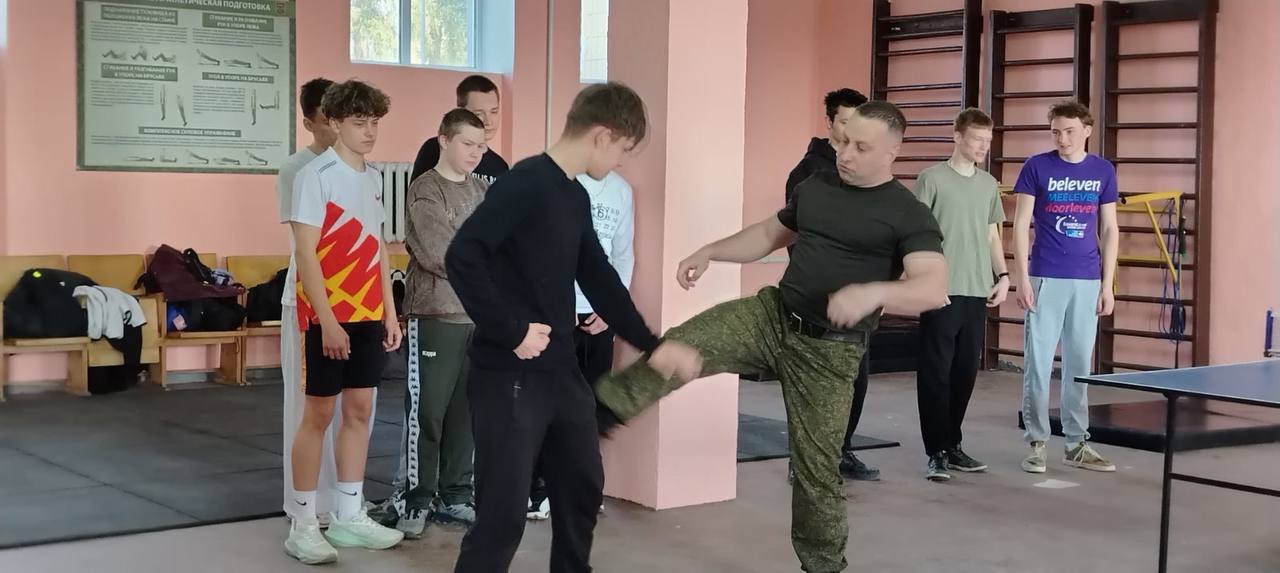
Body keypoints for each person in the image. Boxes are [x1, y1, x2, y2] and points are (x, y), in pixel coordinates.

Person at [592, 101, 948, 573]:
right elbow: (767, 235)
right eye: (844, 140)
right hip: (773, 316)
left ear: (892, 153)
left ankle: (823, 566)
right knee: (684, 342)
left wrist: (874, 293)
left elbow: (933, 287)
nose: (845, 153)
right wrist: (710, 251)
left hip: (829, 353)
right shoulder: (816, 187)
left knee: (816, 471)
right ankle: (599, 414)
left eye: (861, 148)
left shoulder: (907, 213)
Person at [444, 82, 702, 573]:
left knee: (581, 489)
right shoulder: (525, 183)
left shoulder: (573, 195)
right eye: (624, 150)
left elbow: (599, 277)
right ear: (603, 136)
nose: (621, 161)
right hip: (510, 372)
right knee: (503, 516)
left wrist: (652, 345)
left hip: (561, 372)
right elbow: (463, 256)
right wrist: (512, 331)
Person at [283, 79, 405, 565]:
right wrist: (328, 321)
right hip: (326, 314)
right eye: (359, 122)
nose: (370, 131)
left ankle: (349, 515)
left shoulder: (372, 177)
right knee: (318, 414)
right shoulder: (315, 176)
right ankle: (303, 523)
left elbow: (378, 249)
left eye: (374, 122)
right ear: (333, 123)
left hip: (368, 313)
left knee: (359, 410)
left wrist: (389, 310)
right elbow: (306, 254)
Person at [375, 109, 492, 538]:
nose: (476, 153)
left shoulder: (482, 190)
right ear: (444, 140)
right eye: (468, 144)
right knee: (428, 412)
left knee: (466, 412)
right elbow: (440, 254)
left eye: (481, 146)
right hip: (435, 314)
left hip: (476, 318)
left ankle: (456, 494)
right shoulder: (426, 189)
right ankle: (415, 497)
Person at [1013, 100, 1119, 474]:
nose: (1062, 139)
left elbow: (1110, 228)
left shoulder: (1102, 170)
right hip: (1045, 275)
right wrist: (1021, 277)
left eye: (1070, 131)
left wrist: (1107, 284)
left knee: (1079, 363)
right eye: (1056, 132)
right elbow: (1020, 223)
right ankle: (1037, 443)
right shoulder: (1036, 166)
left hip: (1087, 279)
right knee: (1038, 364)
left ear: (1087, 131)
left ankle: (1076, 442)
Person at [527, 170, 635, 521]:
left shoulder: (621, 190)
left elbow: (623, 255)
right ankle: (539, 490)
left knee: (589, 405)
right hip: (557, 313)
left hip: (598, 314)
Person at [784, 87, 879, 483]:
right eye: (844, 122)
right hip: (817, 300)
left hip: (857, 301)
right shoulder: (808, 172)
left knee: (856, 379)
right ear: (829, 123)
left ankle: (842, 450)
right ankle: (803, 460)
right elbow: (796, 236)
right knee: (817, 385)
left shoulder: (864, 171)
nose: (850, 130)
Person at [910, 108, 1010, 482]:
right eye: (977, 140)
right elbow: (916, 234)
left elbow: (991, 234)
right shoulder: (931, 179)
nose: (984, 147)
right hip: (941, 289)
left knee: (965, 371)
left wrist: (1003, 275)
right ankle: (936, 450)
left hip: (976, 288)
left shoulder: (987, 184)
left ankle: (953, 444)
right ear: (957, 137)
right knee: (935, 372)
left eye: (987, 141)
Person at [278, 77, 347, 529]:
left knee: (350, 409)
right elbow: (306, 246)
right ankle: (304, 505)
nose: (338, 127)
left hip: (351, 303)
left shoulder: (358, 170)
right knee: (307, 407)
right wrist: (322, 310)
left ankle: (346, 502)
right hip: (306, 301)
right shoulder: (298, 170)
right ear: (309, 122)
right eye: (328, 119)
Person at [410, 75, 509, 184]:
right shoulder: (435, 149)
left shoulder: (500, 167)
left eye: (494, 112)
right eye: (478, 113)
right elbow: (417, 191)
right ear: (462, 112)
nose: (488, 121)